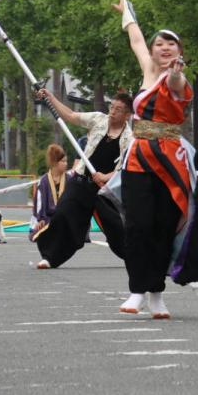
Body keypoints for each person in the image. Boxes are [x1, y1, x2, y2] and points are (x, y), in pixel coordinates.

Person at [112, 0, 198, 319]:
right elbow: (136, 39)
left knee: (164, 227)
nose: (164, 48)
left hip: (169, 162)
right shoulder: (147, 70)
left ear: (180, 52)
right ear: (153, 51)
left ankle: (156, 294)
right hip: (139, 158)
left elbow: (176, 84)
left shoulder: (177, 79)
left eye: (171, 44)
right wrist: (127, 14)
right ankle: (137, 291)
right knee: (137, 226)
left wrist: (176, 73)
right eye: (160, 44)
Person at [32, 87, 131, 268]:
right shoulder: (98, 119)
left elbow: (124, 169)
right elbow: (70, 115)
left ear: (127, 115)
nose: (112, 111)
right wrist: (51, 98)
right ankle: (50, 257)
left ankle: (136, 257)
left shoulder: (129, 138)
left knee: (116, 226)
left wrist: (105, 176)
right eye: (112, 107)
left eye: (118, 109)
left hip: (104, 189)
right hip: (81, 181)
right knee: (63, 214)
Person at [29, 144, 71, 251]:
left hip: (64, 216)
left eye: (66, 161)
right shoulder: (44, 181)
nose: (66, 164)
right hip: (48, 217)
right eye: (63, 161)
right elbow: (39, 202)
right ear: (55, 162)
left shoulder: (69, 179)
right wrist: (40, 218)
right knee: (42, 230)